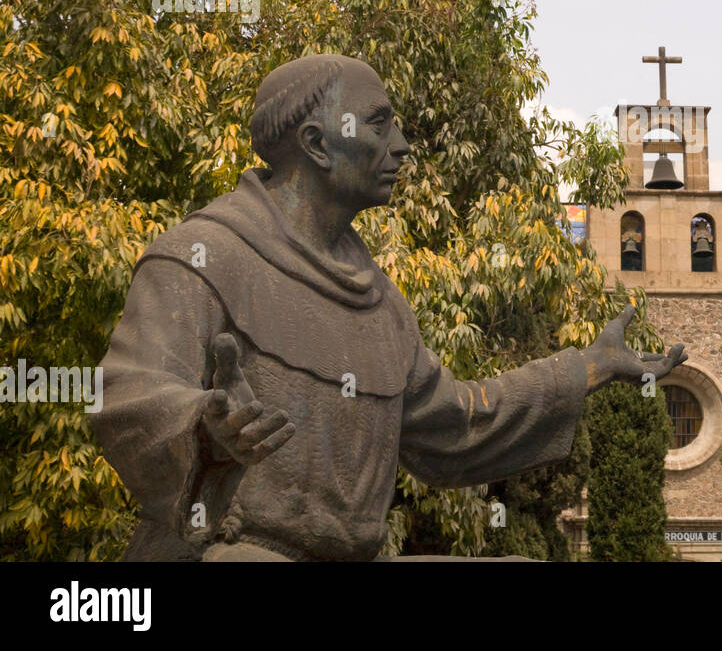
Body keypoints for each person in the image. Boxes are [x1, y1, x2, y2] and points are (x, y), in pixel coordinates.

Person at [92, 54, 685, 561]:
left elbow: (457, 423)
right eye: (379, 126)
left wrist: (589, 367)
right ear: (317, 144)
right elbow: (128, 392)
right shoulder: (203, 257)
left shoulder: (381, 304)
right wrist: (204, 429)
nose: (400, 146)